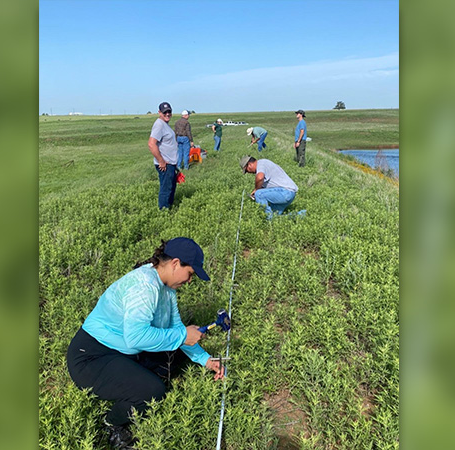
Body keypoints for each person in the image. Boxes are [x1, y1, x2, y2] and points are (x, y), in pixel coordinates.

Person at [66, 238, 225, 448]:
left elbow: (176, 329)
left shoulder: (167, 288)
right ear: (176, 263)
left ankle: (134, 382)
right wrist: (181, 337)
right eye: (190, 274)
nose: (189, 281)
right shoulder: (144, 286)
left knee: (174, 354)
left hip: (121, 351)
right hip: (92, 357)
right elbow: (136, 337)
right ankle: (112, 424)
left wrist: (205, 360)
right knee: (153, 392)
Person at [239, 156, 305, 219]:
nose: (248, 173)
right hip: (288, 193)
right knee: (275, 217)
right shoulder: (263, 164)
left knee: (259, 194)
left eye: (247, 170)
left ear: (250, 165)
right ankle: (303, 214)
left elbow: (259, 178)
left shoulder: (261, 164)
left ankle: (268, 220)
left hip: (286, 192)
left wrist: (256, 189)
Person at [148, 102, 179, 209]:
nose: (167, 114)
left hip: (170, 163)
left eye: (169, 111)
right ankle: (164, 212)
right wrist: (161, 161)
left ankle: (169, 208)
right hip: (165, 164)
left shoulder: (164, 124)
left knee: (170, 187)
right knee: (166, 189)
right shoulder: (159, 124)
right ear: (159, 112)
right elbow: (151, 144)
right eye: (165, 112)